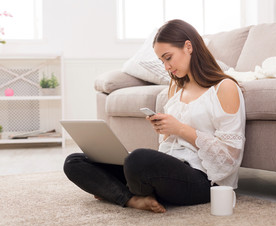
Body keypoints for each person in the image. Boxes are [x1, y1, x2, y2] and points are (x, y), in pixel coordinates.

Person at [63, 19, 246, 214]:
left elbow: (230, 158)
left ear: (188, 47)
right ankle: (132, 199)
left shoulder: (224, 88)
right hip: (168, 172)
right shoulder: (176, 88)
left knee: (138, 160)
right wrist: (164, 130)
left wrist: (180, 128)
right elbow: (167, 147)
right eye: (162, 61)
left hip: (202, 180)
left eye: (168, 58)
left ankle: (115, 190)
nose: (167, 67)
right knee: (74, 161)